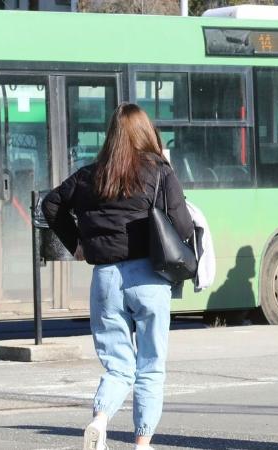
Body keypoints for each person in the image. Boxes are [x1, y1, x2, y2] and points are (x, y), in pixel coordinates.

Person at [42, 103, 192, 450]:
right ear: (146, 133)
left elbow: (50, 204)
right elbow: (182, 225)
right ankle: (142, 443)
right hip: (149, 277)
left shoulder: (90, 174)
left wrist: (77, 242)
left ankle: (100, 420)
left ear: (111, 136)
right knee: (151, 366)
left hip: (106, 278)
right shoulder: (160, 172)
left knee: (117, 366)